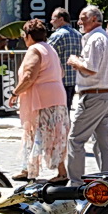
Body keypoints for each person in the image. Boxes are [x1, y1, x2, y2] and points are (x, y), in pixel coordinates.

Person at [9, 19, 70, 182]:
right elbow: (61, 72)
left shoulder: (34, 50)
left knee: (38, 134)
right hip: (56, 97)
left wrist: (15, 92)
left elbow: (29, 76)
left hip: (42, 100)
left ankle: (35, 171)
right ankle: (38, 170)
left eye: (24, 34)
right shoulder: (49, 49)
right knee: (54, 135)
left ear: (29, 35)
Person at [64, 5, 108, 179]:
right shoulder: (106, 38)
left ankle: (75, 183)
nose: (79, 22)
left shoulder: (96, 39)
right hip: (106, 94)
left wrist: (75, 61)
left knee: (76, 140)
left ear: (94, 19)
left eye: (83, 18)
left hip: (94, 95)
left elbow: (91, 68)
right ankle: (106, 179)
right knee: (102, 142)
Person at [47, 7, 81, 106]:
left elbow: (46, 54)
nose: (51, 22)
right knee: (67, 108)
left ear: (61, 19)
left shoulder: (57, 36)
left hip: (58, 81)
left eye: (53, 19)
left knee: (56, 110)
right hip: (74, 80)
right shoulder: (78, 35)